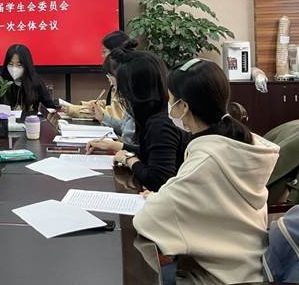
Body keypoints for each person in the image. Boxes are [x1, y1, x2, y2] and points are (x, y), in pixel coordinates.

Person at [133, 59, 280, 285]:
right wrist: (165, 196)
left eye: (171, 100)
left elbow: (148, 221)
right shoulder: (241, 144)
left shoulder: (206, 160)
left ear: (184, 107)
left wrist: (158, 199)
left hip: (217, 277)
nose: (168, 106)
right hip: (252, 268)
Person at [87, 49, 189, 191]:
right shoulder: (158, 113)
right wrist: (117, 146)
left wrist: (129, 159)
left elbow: (158, 181)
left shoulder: (160, 123)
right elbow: (152, 152)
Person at [64, 31, 135, 118]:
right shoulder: (121, 72)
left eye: (104, 52)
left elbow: (115, 116)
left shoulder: (126, 78)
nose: (102, 55)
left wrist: (75, 110)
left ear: (116, 52)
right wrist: (88, 105)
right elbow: (111, 105)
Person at [90, 50, 137, 147]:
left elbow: (129, 144)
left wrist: (114, 146)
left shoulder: (137, 100)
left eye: (110, 77)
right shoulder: (131, 98)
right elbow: (124, 127)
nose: (110, 82)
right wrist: (103, 117)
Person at [0, 44, 58, 113]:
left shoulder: (36, 83)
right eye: (10, 64)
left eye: (19, 65)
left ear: (27, 65)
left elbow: (50, 107)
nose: (14, 68)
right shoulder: (0, 83)